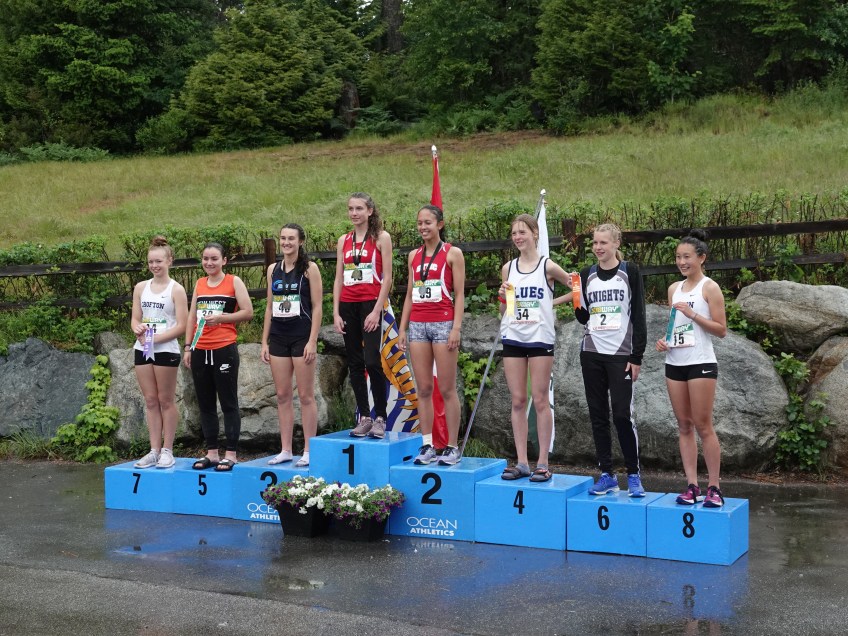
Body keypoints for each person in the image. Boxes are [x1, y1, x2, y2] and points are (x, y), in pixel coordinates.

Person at [574, 223, 647, 497]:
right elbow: (583, 316)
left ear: (616, 244)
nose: (598, 247)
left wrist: (637, 356)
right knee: (598, 415)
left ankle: (634, 475)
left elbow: (638, 314)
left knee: (622, 414)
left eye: (603, 242)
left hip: (621, 354)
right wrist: (575, 298)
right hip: (592, 352)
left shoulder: (630, 271)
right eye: (595, 243)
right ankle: (607, 474)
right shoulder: (586, 274)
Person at [497, 214, 572, 482]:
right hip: (513, 336)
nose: (518, 237)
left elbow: (576, 286)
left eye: (522, 232)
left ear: (535, 234)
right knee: (518, 400)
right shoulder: (508, 268)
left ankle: (543, 462)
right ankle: (521, 462)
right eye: (514, 233)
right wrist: (502, 297)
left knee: (540, 400)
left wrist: (552, 302)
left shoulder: (547, 265)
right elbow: (504, 312)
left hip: (540, 338)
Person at [655, 230, 727, 507]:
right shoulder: (674, 289)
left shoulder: (710, 288)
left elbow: (721, 330)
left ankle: (714, 488)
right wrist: (665, 342)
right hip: (675, 362)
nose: (682, 262)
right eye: (678, 257)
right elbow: (676, 327)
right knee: (684, 425)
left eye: (687, 257)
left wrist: (693, 314)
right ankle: (692, 486)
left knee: (703, 425)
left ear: (701, 258)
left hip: (701, 363)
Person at [398, 205, 465, 465]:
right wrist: (402, 328)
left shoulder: (452, 253)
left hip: (443, 323)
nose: (423, 227)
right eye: (420, 223)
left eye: (428, 222)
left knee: (446, 388)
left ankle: (452, 446)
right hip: (418, 324)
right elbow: (409, 294)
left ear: (440, 224)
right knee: (423, 389)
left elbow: (460, 294)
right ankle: (427, 445)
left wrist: (456, 328)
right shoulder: (413, 256)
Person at [184, 242, 253, 472]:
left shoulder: (233, 281)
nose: (209, 262)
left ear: (224, 260)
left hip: (224, 348)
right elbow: (192, 317)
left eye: (214, 258)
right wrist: (188, 347)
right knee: (205, 403)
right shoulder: (199, 283)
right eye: (205, 258)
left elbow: (248, 312)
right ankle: (211, 452)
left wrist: (222, 318)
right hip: (200, 349)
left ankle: (231, 453)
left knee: (228, 402)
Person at [261, 224, 323, 467]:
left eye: (291, 239)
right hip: (278, 336)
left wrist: (312, 340)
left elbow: (317, 306)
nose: (286, 243)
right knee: (282, 395)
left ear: (300, 242)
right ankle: (286, 449)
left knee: (306, 395)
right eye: (283, 238)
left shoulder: (309, 269)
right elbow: (269, 306)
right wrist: (264, 341)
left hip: (301, 336)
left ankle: (309, 450)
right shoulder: (272, 269)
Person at [332, 193, 393, 438]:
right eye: (351, 209)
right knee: (355, 363)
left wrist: (377, 310)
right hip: (348, 305)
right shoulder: (343, 240)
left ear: (369, 211)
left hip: (370, 304)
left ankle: (381, 417)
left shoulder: (381, 237)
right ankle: (365, 417)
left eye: (359, 208)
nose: (354, 213)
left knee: (372, 361)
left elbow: (387, 278)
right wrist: (336, 312)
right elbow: (338, 278)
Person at [131, 236, 188, 469]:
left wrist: (155, 339)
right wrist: (137, 329)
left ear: (169, 261)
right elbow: (135, 319)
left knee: (166, 400)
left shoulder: (177, 289)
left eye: (159, 261)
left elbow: (182, 326)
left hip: (166, 349)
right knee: (150, 400)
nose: (154, 266)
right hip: (143, 348)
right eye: (151, 262)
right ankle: (153, 450)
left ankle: (167, 450)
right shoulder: (140, 287)